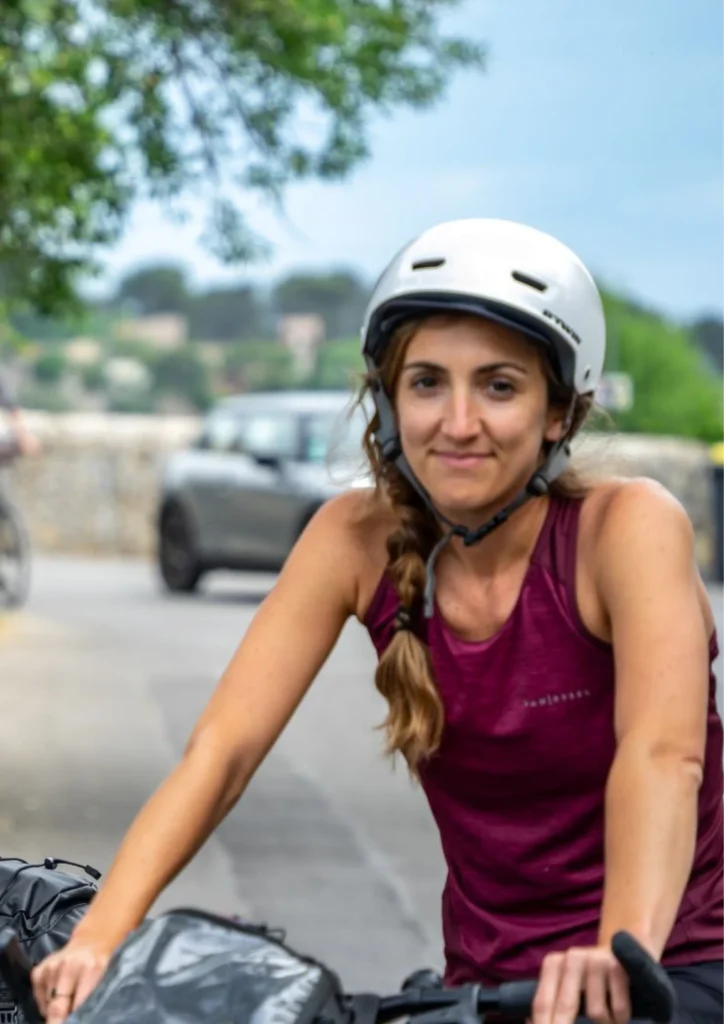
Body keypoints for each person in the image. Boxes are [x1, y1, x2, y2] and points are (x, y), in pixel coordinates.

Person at [31, 219, 723, 1024]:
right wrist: (98, 941)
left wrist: (620, 956)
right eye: (427, 382)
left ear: (559, 413)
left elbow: (663, 755)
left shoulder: (624, 528)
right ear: (390, 402)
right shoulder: (353, 538)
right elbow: (224, 750)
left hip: (676, 962)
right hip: (488, 987)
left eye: (499, 386)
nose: (457, 423)